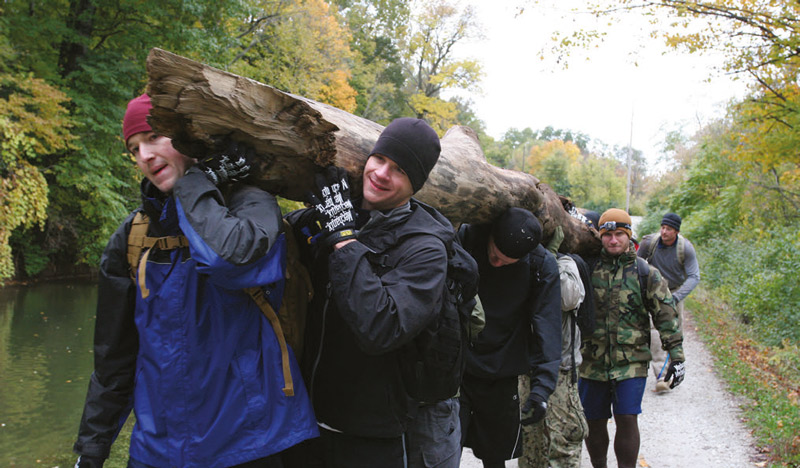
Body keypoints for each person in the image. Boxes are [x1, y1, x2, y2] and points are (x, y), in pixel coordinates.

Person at [72, 94, 318, 468]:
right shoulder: (132, 238)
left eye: (153, 137)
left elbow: (226, 260)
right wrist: (91, 451)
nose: (144, 156)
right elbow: (114, 360)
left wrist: (196, 183)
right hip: (157, 451)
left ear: (190, 138)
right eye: (134, 148)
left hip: (248, 444)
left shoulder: (252, 204)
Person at [286, 117, 470, 468]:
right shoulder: (348, 213)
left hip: (371, 433)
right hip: (308, 419)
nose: (382, 173)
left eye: (399, 169)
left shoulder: (427, 249)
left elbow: (382, 327)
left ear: (415, 185)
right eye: (380, 158)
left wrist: (343, 239)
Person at [580, 208, 686, 468]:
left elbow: (666, 317)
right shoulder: (588, 268)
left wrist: (677, 356)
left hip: (631, 363)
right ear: (600, 237)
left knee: (627, 418)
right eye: (607, 235)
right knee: (593, 421)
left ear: (629, 236)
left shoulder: (645, 273)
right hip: (592, 361)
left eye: (619, 234)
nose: (613, 240)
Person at [457, 207, 562, 468]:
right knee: (444, 451)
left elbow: (547, 327)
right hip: (457, 365)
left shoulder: (541, 265)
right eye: (494, 254)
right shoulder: (467, 237)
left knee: (495, 456)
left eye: (506, 261)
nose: (497, 263)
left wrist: (541, 390)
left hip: (501, 370)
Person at [518, 226, 589, 468]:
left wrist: (548, 261)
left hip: (561, 369)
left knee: (562, 444)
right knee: (529, 447)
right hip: (525, 369)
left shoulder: (565, 262)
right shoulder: (516, 260)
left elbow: (569, 298)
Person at [637, 212, 700, 389]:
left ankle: (675, 366)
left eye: (669, 229)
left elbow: (694, 276)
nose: (664, 232)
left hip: (674, 291)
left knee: (674, 331)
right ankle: (662, 376)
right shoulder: (650, 243)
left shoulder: (685, 248)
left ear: (677, 232)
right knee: (655, 331)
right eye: (663, 228)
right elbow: (637, 264)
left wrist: (676, 297)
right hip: (653, 290)